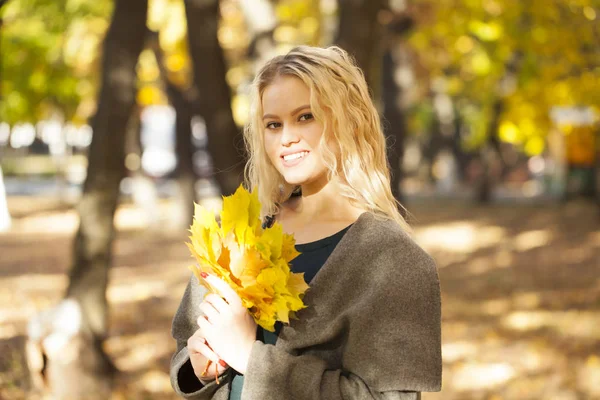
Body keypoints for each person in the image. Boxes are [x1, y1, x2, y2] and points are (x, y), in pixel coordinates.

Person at [170, 45, 442, 400]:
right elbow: (185, 353)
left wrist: (251, 359)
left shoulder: (393, 260)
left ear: (349, 120)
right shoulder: (240, 234)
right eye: (273, 124)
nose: (286, 138)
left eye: (305, 117)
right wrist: (199, 366)